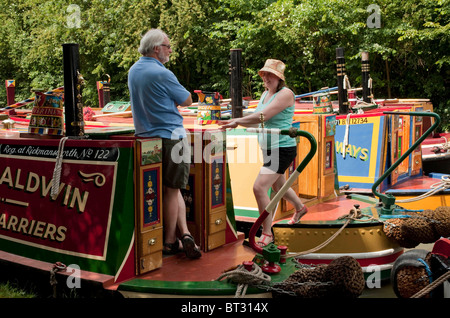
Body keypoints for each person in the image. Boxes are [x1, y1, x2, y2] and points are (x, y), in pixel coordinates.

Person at [128, 28, 201, 259]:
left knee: (161, 190)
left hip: (145, 139)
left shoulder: (133, 71)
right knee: (172, 190)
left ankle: (185, 234)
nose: (170, 50)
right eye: (168, 46)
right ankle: (170, 241)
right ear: (156, 48)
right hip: (172, 136)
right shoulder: (163, 73)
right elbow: (187, 100)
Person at [219, 59, 308, 247]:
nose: (266, 78)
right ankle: (300, 208)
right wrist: (233, 122)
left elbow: (263, 116)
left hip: (281, 149)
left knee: (259, 187)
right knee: (278, 187)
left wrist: (238, 120)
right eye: (264, 74)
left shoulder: (286, 94)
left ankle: (267, 233)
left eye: (269, 74)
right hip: (268, 148)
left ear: (278, 77)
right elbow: (257, 119)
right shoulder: (265, 94)